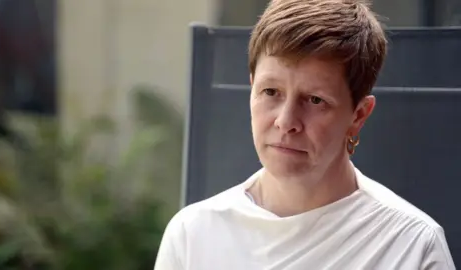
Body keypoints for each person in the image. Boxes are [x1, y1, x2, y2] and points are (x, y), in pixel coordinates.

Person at [154, 0, 456, 269]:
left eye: (315, 100)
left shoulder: (410, 247)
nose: (286, 122)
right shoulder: (194, 234)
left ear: (359, 115)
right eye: (270, 92)